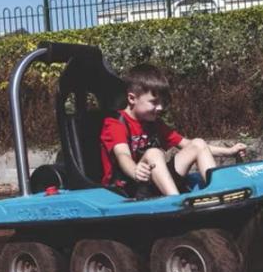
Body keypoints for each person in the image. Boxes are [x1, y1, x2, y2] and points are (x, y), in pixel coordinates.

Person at [100, 63, 246, 198]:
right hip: (128, 187)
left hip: (154, 182)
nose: (160, 108)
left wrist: (229, 152)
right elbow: (122, 155)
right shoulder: (115, 123)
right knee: (153, 153)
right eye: (154, 102)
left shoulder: (154, 123)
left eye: (162, 103)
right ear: (132, 98)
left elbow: (187, 144)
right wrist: (134, 170)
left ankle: (220, 192)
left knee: (198, 144)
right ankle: (176, 202)